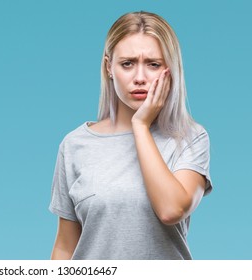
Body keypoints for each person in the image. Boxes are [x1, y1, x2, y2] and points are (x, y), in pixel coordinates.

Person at [49, 11, 212, 260]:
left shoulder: (190, 138)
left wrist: (140, 126)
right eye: (127, 63)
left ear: (170, 69)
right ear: (109, 67)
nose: (139, 78)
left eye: (153, 64)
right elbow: (64, 246)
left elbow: (171, 209)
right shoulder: (75, 144)